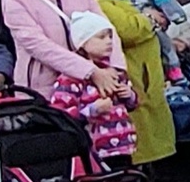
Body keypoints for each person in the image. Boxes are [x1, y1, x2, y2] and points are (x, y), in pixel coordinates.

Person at [78, 0, 177, 166]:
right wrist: (149, 19)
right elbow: (128, 28)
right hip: (133, 77)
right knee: (140, 154)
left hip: (142, 79)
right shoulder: (92, 0)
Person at [47, 11, 140, 164]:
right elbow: (61, 114)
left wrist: (129, 95)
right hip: (93, 151)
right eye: (101, 37)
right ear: (83, 43)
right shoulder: (71, 78)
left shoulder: (115, 73)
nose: (109, 41)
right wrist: (92, 110)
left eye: (110, 36)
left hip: (123, 146)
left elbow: (133, 104)